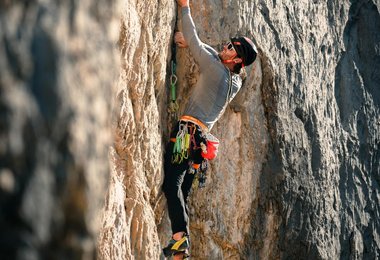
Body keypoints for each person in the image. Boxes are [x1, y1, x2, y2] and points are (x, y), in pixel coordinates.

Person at [162, 0, 258, 258]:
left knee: (172, 185)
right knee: (181, 190)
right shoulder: (234, 81)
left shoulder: (217, 70)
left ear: (236, 58)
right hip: (199, 144)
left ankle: (180, 238)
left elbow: (195, 42)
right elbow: (212, 56)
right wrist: (199, 47)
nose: (224, 46)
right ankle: (181, 248)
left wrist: (185, 7)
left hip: (187, 134)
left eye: (230, 47)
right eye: (228, 43)